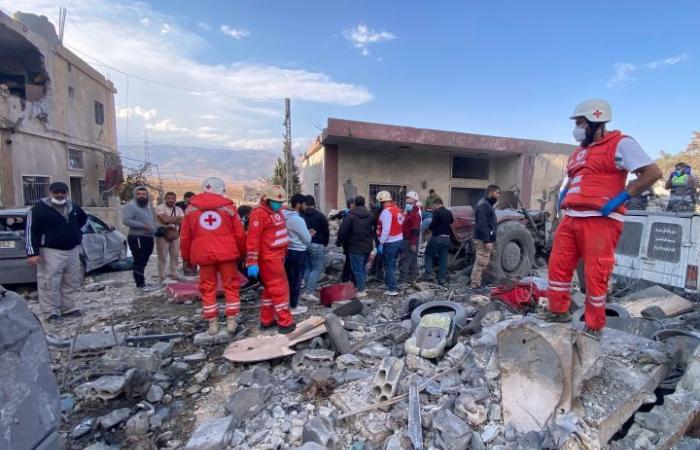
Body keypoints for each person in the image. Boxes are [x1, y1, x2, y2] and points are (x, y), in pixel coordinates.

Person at [542, 99, 662, 339]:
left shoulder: (621, 144)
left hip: (600, 219)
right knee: (557, 266)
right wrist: (565, 195)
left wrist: (623, 196)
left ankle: (594, 325)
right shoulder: (578, 152)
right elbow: (575, 179)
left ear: (597, 122)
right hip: (571, 217)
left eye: (580, 123)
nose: (576, 129)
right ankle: (558, 312)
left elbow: (653, 172)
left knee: (596, 273)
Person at [180, 177, 246, 335]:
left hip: (203, 255)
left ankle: (213, 323)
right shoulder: (228, 208)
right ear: (221, 190)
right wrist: (243, 253)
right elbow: (240, 234)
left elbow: (185, 237)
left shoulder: (190, 209)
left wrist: (186, 257)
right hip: (227, 254)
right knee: (231, 286)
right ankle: (231, 321)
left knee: (207, 288)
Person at [25, 181, 88, 321]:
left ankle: (68, 308)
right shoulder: (38, 210)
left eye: (63, 192)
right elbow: (30, 231)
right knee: (49, 282)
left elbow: (83, 219)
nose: (59, 194)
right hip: (50, 252)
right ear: (50, 193)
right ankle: (50, 313)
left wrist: (74, 233)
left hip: (72, 251)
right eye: (56, 192)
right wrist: (32, 253)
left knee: (70, 281)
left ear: (67, 193)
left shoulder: (73, 207)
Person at [246, 185, 295, 333]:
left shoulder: (276, 211)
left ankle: (267, 320)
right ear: (266, 199)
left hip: (277, 257)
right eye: (276, 201)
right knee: (280, 289)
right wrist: (252, 262)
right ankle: (285, 323)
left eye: (280, 202)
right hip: (269, 258)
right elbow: (253, 239)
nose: (279, 204)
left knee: (270, 290)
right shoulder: (259, 214)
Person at [337, 195, 375, 298]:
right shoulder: (371, 215)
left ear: (355, 204)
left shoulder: (350, 216)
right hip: (368, 245)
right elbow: (374, 229)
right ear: (363, 203)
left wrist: (339, 241)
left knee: (357, 269)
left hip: (355, 246)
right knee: (362, 268)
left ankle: (361, 290)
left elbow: (343, 231)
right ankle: (362, 286)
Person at [122, 186, 157, 291]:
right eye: (139, 194)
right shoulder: (130, 206)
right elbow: (126, 221)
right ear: (135, 195)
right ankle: (140, 285)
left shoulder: (147, 206)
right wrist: (143, 226)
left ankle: (142, 282)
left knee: (145, 260)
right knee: (139, 260)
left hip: (148, 237)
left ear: (147, 195)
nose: (141, 196)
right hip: (137, 237)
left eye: (143, 194)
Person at [283, 194, 312, 315]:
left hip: (287, 250)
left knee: (289, 279)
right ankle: (293, 306)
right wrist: (310, 234)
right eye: (304, 204)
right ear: (299, 204)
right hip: (298, 252)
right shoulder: (297, 219)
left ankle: (287, 303)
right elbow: (307, 239)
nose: (305, 207)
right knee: (296, 280)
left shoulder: (283, 215)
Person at [375, 190, 404, 296]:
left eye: (379, 202)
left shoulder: (386, 212)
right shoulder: (397, 209)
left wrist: (381, 243)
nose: (379, 204)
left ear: (383, 202)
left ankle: (392, 289)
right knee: (392, 264)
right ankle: (388, 284)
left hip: (390, 242)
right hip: (398, 241)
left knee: (389, 266)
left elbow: (386, 229)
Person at [471, 185, 500, 287]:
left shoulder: (487, 205)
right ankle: (475, 285)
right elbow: (482, 225)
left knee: (483, 262)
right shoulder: (484, 205)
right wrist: (487, 241)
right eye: (497, 193)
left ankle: (479, 282)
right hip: (482, 240)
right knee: (481, 262)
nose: (498, 196)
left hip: (485, 239)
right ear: (491, 192)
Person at [301, 195, 329, 302]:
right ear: (314, 203)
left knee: (308, 267)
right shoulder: (320, 216)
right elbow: (326, 231)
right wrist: (325, 243)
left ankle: (309, 289)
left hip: (305, 244)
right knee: (317, 268)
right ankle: (309, 292)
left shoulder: (301, 216)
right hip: (317, 244)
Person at [155, 191, 184, 282]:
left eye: (173, 198)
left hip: (175, 234)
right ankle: (163, 276)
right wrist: (177, 218)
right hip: (163, 234)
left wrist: (171, 219)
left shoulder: (179, 209)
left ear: (175, 199)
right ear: (165, 199)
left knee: (175, 256)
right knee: (162, 256)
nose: (171, 200)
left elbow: (183, 222)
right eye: (168, 198)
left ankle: (174, 274)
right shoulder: (160, 208)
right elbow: (165, 220)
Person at [422, 197, 453, 284]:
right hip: (447, 239)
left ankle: (428, 274)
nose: (433, 207)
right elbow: (451, 221)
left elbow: (432, 225)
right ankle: (442, 278)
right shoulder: (449, 212)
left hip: (437, 238)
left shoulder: (436, 212)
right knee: (443, 258)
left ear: (436, 204)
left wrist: (429, 229)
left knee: (428, 254)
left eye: (433, 206)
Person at [399, 191, 421, 286]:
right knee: (413, 259)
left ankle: (402, 279)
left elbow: (415, 230)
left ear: (415, 202)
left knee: (406, 259)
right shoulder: (409, 213)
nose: (407, 203)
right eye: (407, 202)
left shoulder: (415, 215)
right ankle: (412, 277)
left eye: (410, 202)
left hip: (410, 240)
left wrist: (413, 243)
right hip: (407, 239)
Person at [332, 198, 356, 283]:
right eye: (352, 203)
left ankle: (347, 278)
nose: (354, 205)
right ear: (349, 204)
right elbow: (343, 229)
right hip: (348, 241)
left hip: (350, 241)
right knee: (350, 260)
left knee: (350, 260)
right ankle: (348, 278)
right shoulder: (346, 213)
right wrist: (339, 240)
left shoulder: (349, 214)